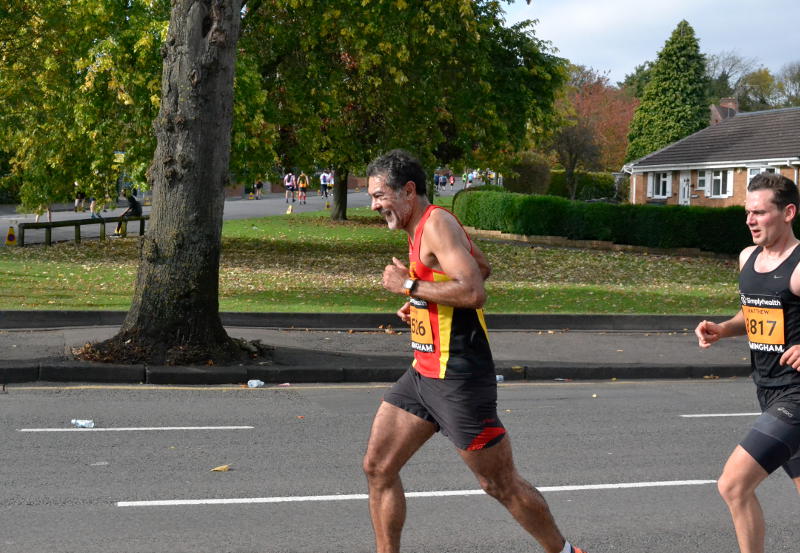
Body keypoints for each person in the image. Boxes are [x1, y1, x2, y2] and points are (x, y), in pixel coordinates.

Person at [363, 149, 586, 553]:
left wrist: (409, 287)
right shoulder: (420, 227)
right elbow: (480, 265)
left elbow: (474, 290)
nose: (375, 205)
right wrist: (422, 301)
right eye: (373, 197)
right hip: (423, 375)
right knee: (378, 468)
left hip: (459, 378)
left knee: (499, 484)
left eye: (380, 195)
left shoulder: (436, 225)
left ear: (408, 191)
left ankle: (567, 552)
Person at [695, 172, 800, 553]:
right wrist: (723, 329)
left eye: (759, 212)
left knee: (733, 485)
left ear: (788, 212)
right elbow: (756, 314)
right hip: (768, 390)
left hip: (797, 395)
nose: (750, 220)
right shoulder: (748, 257)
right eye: (747, 212)